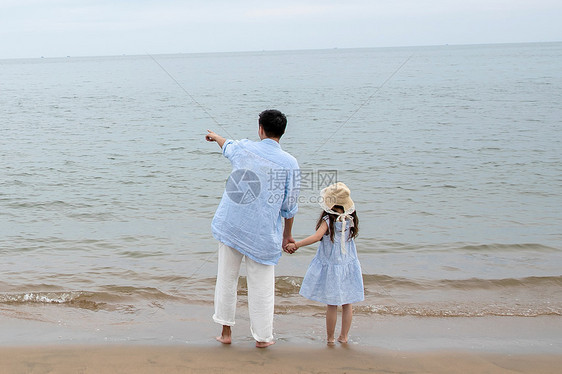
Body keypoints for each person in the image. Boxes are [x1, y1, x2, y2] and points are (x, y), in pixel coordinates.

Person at [205, 109, 299, 348]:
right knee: (262, 288)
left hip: (232, 225)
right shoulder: (290, 163)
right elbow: (289, 206)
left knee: (226, 279)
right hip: (263, 233)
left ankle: (226, 333)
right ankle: (263, 338)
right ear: (283, 132)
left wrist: (215, 137)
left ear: (260, 129)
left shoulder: (245, 148)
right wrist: (287, 235)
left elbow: (228, 146)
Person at [284, 182, 363, 345]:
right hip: (348, 264)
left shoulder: (329, 219)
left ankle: (330, 338)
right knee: (348, 303)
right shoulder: (350, 218)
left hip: (333, 266)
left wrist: (296, 244)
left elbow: (316, 237)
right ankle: (344, 337)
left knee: (332, 304)